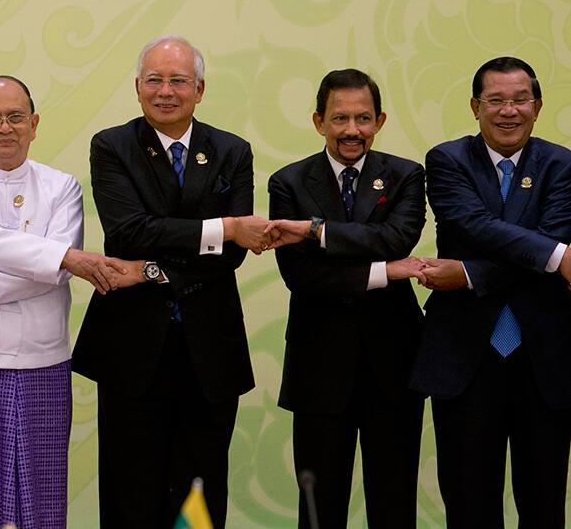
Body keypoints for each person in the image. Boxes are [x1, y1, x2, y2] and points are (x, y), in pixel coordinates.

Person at [72, 35, 271, 527]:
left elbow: (232, 256)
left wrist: (149, 269)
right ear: (138, 88)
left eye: (178, 81)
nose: (166, 91)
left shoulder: (231, 150)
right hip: (131, 346)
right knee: (129, 487)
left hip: (209, 346)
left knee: (200, 490)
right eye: (154, 80)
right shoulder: (112, 145)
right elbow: (128, 229)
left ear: (199, 89)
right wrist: (222, 227)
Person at [0, 75, 124, 529]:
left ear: (34, 124)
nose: (4, 128)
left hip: (43, 360)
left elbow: (51, 273)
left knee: (42, 494)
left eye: (16, 117)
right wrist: (62, 259)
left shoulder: (62, 187)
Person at [410, 56, 571, 527]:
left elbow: (554, 229)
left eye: (520, 99)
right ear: (474, 107)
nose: (508, 111)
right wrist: (558, 258)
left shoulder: (563, 164)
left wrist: (469, 274)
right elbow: (473, 225)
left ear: (537, 106)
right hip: (466, 358)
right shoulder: (447, 160)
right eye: (495, 100)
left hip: (544, 358)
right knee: (468, 504)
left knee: (544, 505)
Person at [264, 69, 427, 528]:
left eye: (363, 118)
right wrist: (385, 272)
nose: (352, 130)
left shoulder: (406, 176)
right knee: (319, 507)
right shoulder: (288, 183)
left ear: (380, 120)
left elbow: (396, 239)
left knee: (394, 502)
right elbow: (303, 275)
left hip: (394, 365)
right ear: (319, 121)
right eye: (340, 118)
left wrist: (318, 231)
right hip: (319, 367)